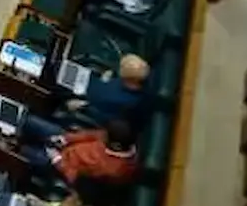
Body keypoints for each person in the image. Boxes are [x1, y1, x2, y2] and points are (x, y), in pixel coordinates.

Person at [24, 55, 152, 142]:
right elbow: (114, 81)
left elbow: (107, 121)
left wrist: (84, 105)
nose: (120, 73)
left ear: (130, 80)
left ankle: (32, 99)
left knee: (52, 84)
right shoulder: (133, 79)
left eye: (122, 73)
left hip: (83, 99)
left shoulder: (129, 104)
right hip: (89, 82)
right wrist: (107, 78)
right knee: (58, 67)